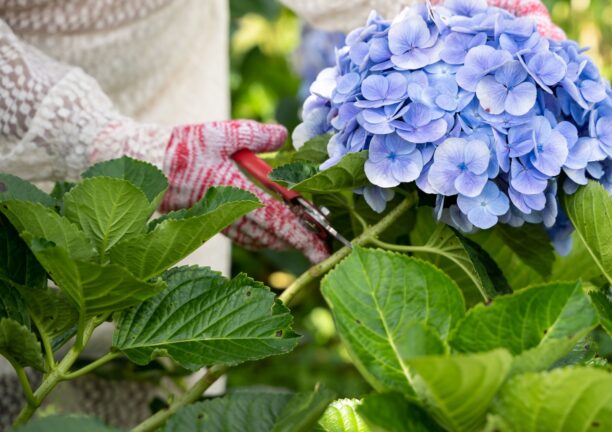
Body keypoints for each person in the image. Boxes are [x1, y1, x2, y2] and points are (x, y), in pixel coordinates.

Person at [0, 0, 563, 427]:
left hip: (168, 83)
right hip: (19, 151)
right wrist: (104, 140)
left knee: (155, 389)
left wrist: (451, 8)